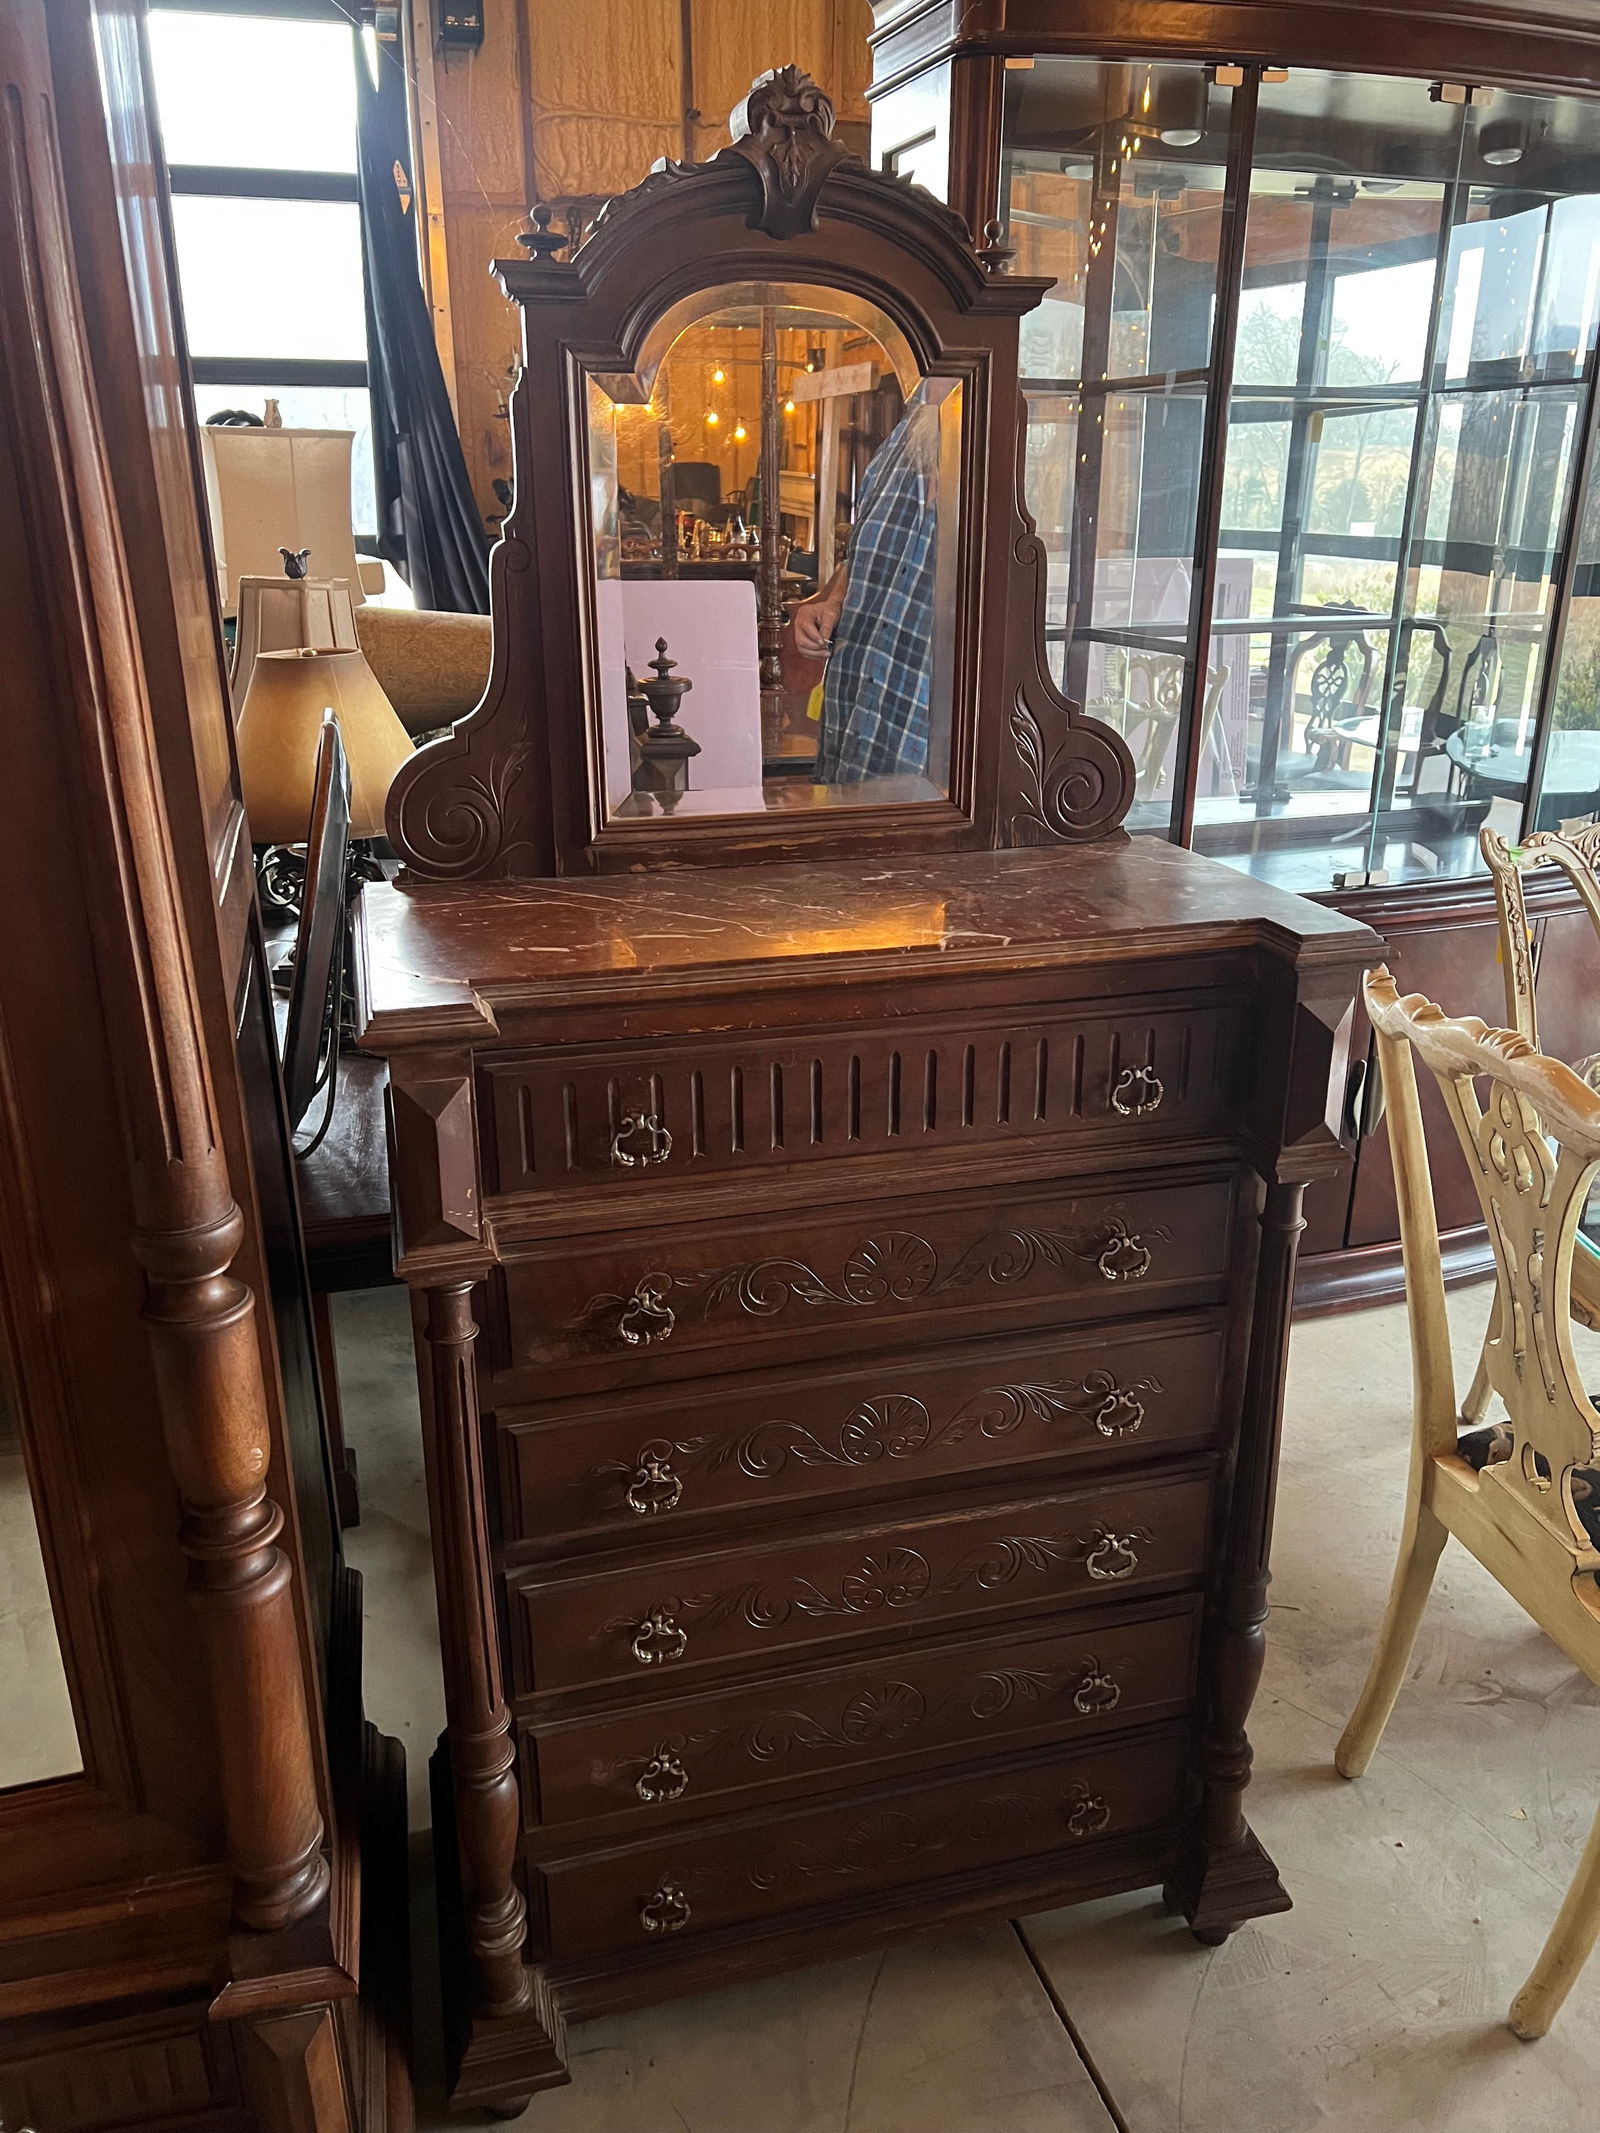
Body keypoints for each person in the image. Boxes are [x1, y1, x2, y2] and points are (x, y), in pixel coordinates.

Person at [790, 402, 939, 783]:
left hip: (931, 741)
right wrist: (833, 602)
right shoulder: (900, 442)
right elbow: (860, 556)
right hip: (854, 716)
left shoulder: (1000, 441)